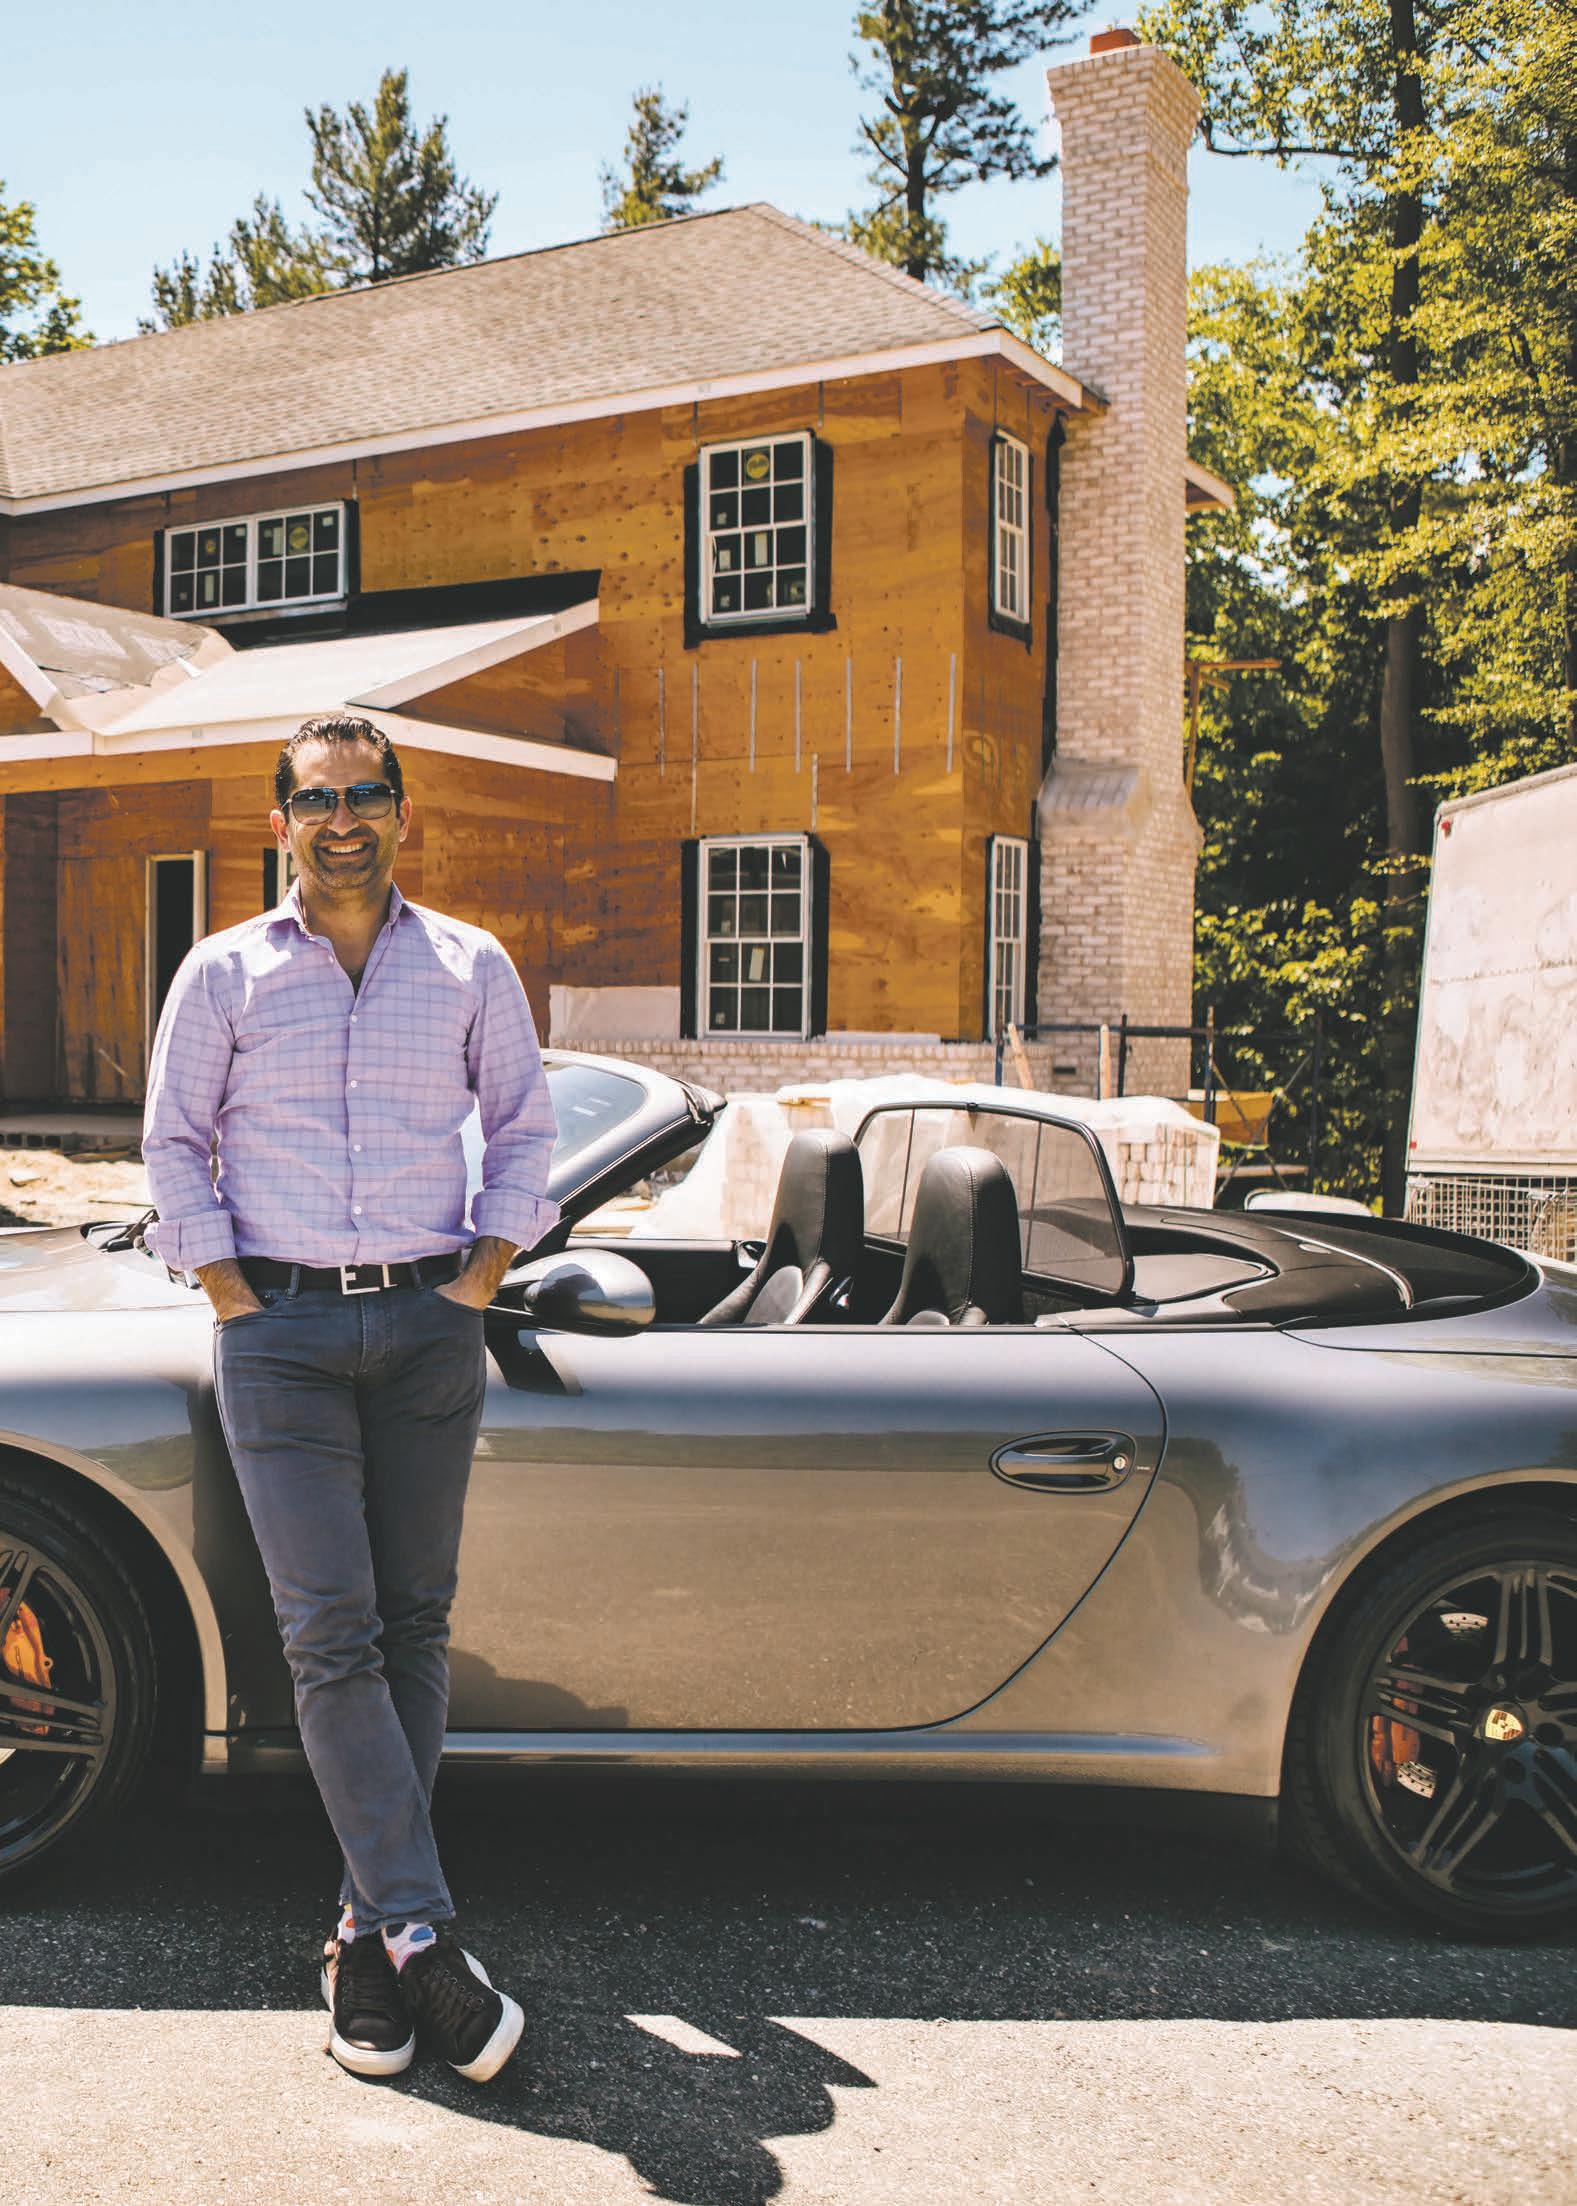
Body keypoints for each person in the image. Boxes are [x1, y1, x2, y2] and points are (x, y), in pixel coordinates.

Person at [142, 714, 558, 2084]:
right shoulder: (223, 972)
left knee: (412, 1621)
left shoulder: (471, 965)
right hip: (281, 1332)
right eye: (316, 799)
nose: (342, 818)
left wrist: (480, 1279)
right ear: (280, 821)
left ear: (402, 813)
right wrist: (229, 1294)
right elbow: (172, 1143)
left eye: (365, 794)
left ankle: (359, 1937)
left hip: (431, 1327)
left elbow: (525, 1128)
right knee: (330, 1634)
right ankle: (423, 1933)